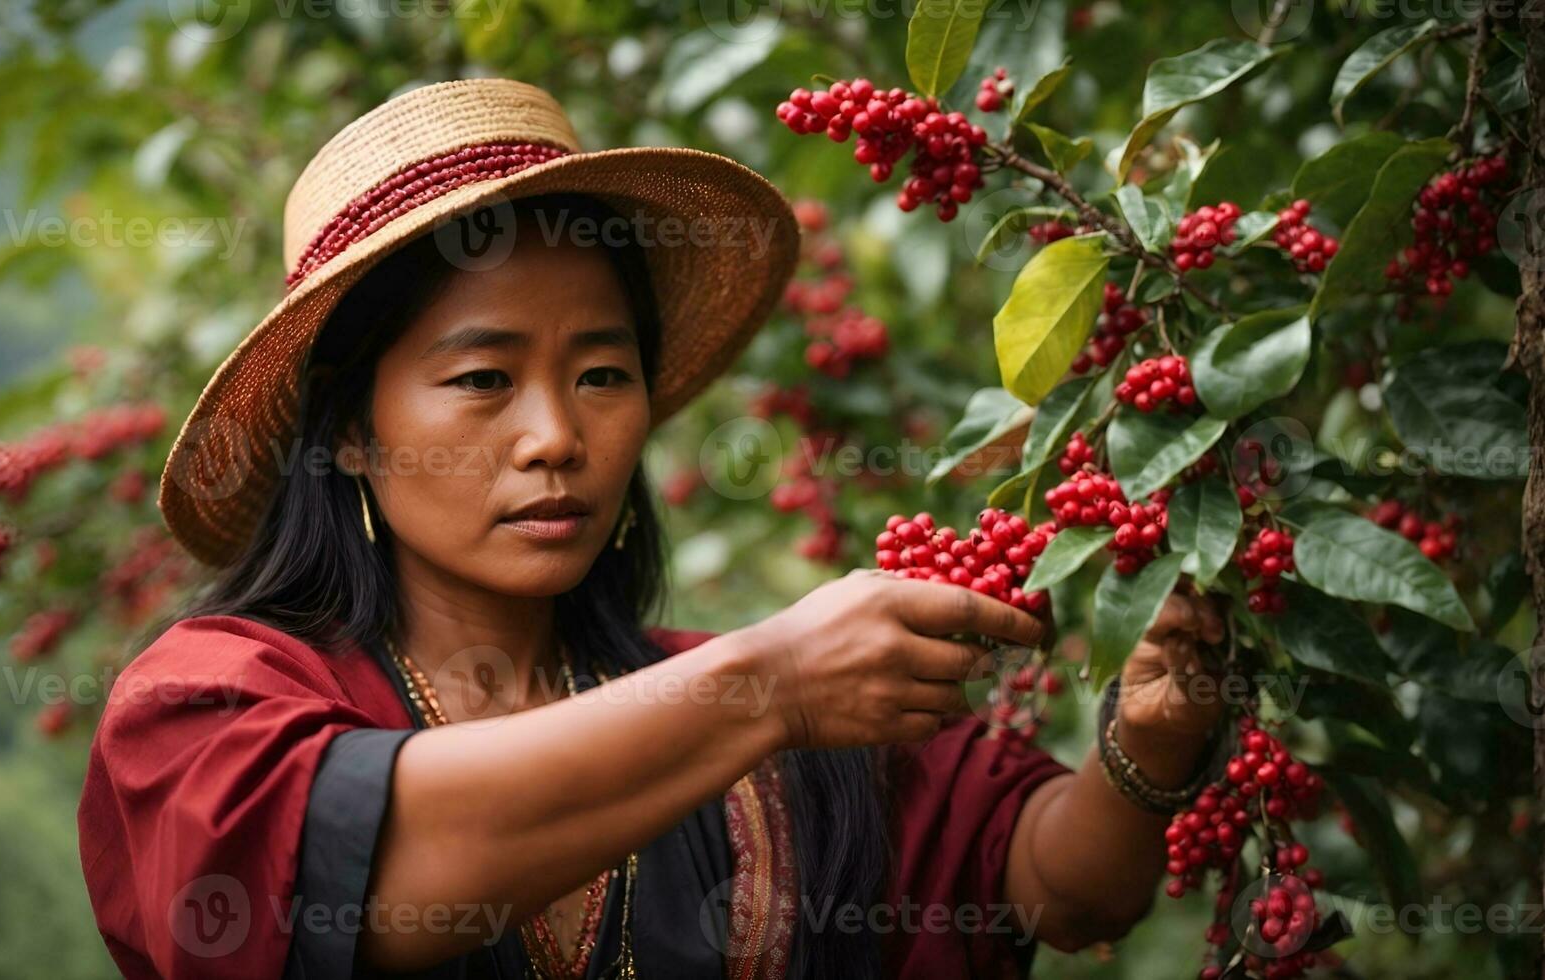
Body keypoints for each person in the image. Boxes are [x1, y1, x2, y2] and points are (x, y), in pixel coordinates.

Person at [77, 78, 1228, 980]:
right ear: (350, 431)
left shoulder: (759, 719)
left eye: (601, 373)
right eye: (482, 377)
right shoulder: (210, 705)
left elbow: (1060, 884)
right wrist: (771, 681)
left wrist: (1149, 740)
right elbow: (361, 871)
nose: (553, 436)